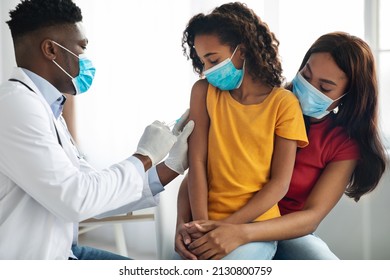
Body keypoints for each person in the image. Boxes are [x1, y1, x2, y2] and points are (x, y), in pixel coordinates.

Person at [0, 0, 194, 260]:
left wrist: (171, 166)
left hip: (64, 251)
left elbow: (95, 193)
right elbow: (77, 199)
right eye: (81, 47)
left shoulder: (47, 108)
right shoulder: (16, 106)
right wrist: (145, 155)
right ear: (50, 49)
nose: (85, 59)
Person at [175, 31, 387, 260]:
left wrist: (239, 232)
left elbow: (312, 217)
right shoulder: (266, 103)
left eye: (325, 88)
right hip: (226, 216)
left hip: (286, 231)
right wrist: (182, 223)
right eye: (306, 75)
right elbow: (201, 170)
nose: (308, 87)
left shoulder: (343, 144)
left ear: (348, 96)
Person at [177, 2, 308, 260]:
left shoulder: (284, 104)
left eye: (213, 59)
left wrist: (229, 229)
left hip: (254, 228)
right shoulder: (203, 92)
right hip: (205, 223)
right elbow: (197, 162)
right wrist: (202, 227)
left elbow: (279, 184)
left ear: (243, 51)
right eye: (202, 61)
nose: (206, 70)